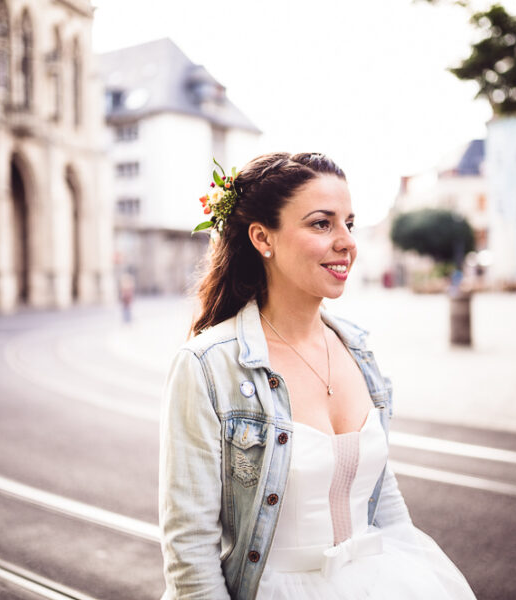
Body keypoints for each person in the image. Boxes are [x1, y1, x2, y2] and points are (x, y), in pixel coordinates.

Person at [159, 152, 477, 599]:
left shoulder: (359, 351)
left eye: (349, 222)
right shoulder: (208, 366)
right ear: (262, 238)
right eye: (321, 224)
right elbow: (189, 548)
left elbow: (381, 496)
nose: (347, 241)